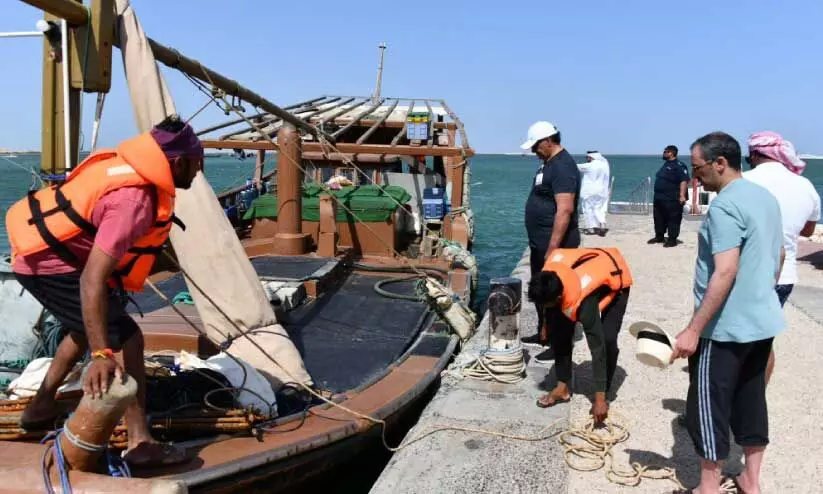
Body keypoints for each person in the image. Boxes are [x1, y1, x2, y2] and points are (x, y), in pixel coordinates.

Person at [5, 115, 203, 467]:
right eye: (196, 163)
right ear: (177, 162)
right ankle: (141, 442)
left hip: (45, 254)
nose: (199, 170)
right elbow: (91, 280)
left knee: (86, 326)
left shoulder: (133, 175)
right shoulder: (135, 201)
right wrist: (101, 355)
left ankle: (40, 406)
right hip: (48, 264)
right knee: (126, 337)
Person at [671, 132, 784, 494]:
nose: (695, 175)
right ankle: (750, 480)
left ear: (721, 163)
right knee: (752, 399)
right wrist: (759, 293)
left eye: (698, 167)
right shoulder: (764, 197)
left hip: (725, 330)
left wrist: (693, 329)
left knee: (708, 407)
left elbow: (725, 271)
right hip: (762, 321)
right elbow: (778, 255)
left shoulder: (723, 207)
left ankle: (707, 487)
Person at [743, 131, 821, 386]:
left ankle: (729, 403)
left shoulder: (743, 181)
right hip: (784, 275)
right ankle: (755, 400)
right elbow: (808, 231)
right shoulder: (805, 186)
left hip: (744, 273)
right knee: (764, 341)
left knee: (733, 341)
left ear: (754, 154)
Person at [528, 247, 632, 423]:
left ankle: (603, 394)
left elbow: (596, 347)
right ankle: (562, 388)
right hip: (580, 271)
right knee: (558, 331)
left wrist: (598, 399)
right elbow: (548, 305)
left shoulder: (584, 303)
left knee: (606, 339)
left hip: (615, 284)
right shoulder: (547, 278)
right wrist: (545, 325)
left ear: (560, 297)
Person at [519, 121, 581, 355]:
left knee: (556, 293)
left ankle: (558, 343)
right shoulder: (548, 164)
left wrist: (553, 248)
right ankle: (544, 332)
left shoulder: (563, 167)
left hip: (555, 245)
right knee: (542, 291)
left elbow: (564, 209)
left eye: (536, 146)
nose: (534, 151)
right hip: (541, 242)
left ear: (548, 141)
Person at [649, 145, 689, 247]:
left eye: (666, 151)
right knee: (658, 218)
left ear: (671, 153)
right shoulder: (666, 164)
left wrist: (682, 196)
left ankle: (672, 239)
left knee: (673, 219)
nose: (664, 153)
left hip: (672, 198)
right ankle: (659, 236)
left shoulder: (679, 165)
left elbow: (683, 180)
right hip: (659, 198)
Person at [578, 151, 611, 236]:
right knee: (598, 209)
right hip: (601, 191)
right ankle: (602, 225)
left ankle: (591, 228)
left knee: (588, 209)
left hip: (589, 192)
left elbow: (575, 167)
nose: (587, 159)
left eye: (587, 157)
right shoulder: (604, 165)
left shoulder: (589, 165)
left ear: (591, 157)